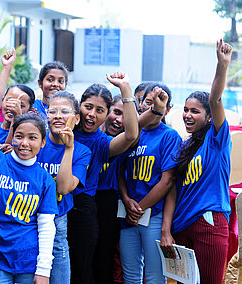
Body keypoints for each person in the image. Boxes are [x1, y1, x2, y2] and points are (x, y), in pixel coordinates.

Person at [161, 39, 233, 284]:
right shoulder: (183, 146)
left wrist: (221, 66)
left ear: (210, 117)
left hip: (208, 224)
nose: (188, 115)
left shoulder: (217, 140)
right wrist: (167, 230)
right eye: (186, 109)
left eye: (195, 111)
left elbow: (215, 100)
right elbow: (171, 188)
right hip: (181, 226)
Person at [67, 72, 139, 284]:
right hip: (53, 205)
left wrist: (125, 88)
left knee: (82, 268)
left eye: (100, 110)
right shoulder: (61, 129)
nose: (92, 114)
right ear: (79, 106)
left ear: (107, 114)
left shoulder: (102, 142)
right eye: (88, 107)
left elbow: (132, 135)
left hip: (82, 209)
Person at [0, 114, 58, 284]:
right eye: (19, 136)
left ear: (43, 142)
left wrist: (44, 270)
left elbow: (47, 226)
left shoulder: (45, 179)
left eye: (32, 138)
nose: (25, 143)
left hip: (28, 259)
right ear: (12, 137)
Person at [118, 83, 181, 284]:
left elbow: (168, 180)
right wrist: (127, 200)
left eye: (158, 102)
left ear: (167, 108)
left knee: (154, 276)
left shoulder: (169, 136)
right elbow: (118, 172)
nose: (151, 105)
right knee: (131, 275)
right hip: (127, 215)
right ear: (140, 103)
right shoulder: (132, 133)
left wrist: (140, 208)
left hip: (152, 215)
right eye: (147, 101)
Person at [37, 91, 91, 284]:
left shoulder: (82, 151)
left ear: (76, 119)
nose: (58, 115)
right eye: (53, 111)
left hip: (58, 220)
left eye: (64, 111)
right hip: (27, 219)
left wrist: (68, 149)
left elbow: (63, 188)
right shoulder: (36, 142)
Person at [93, 94, 125, 284]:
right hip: (83, 199)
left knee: (104, 256)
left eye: (124, 115)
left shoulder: (124, 141)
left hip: (108, 201)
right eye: (115, 112)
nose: (118, 120)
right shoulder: (89, 136)